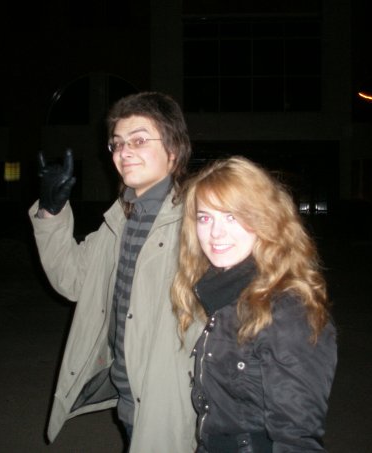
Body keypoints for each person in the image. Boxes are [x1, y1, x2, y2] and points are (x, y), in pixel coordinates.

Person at [29, 92, 203, 452]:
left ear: (173, 150)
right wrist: (50, 212)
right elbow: (73, 280)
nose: (124, 152)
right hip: (127, 394)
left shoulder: (200, 223)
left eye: (139, 140)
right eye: (118, 143)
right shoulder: (121, 220)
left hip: (172, 405)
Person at [171, 156, 337, 452]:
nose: (215, 233)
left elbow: (296, 438)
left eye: (232, 217)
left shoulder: (288, 311)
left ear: (265, 219)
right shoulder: (221, 294)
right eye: (205, 218)